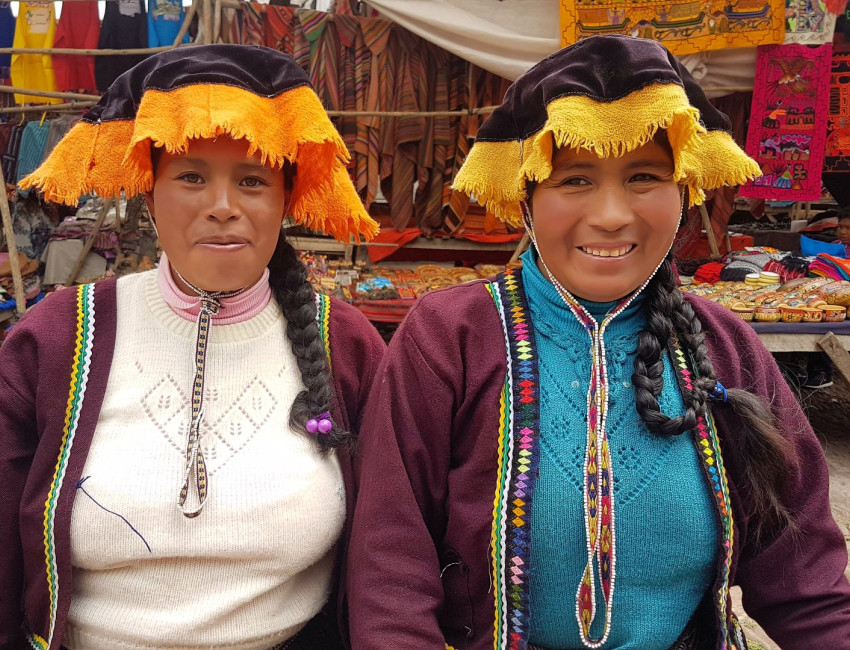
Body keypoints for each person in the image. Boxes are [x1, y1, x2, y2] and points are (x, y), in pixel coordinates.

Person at [347, 35, 850, 650]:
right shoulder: (451, 337)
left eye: (644, 176)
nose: (611, 214)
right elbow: (391, 567)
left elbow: (806, 579)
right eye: (575, 179)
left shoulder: (727, 350)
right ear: (526, 199)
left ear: (684, 191)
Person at [1, 45, 385, 650]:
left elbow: (391, 546)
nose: (223, 207)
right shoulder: (59, 336)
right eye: (191, 177)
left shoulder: (347, 344)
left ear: (286, 199)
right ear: (149, 194)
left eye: (252, 180)